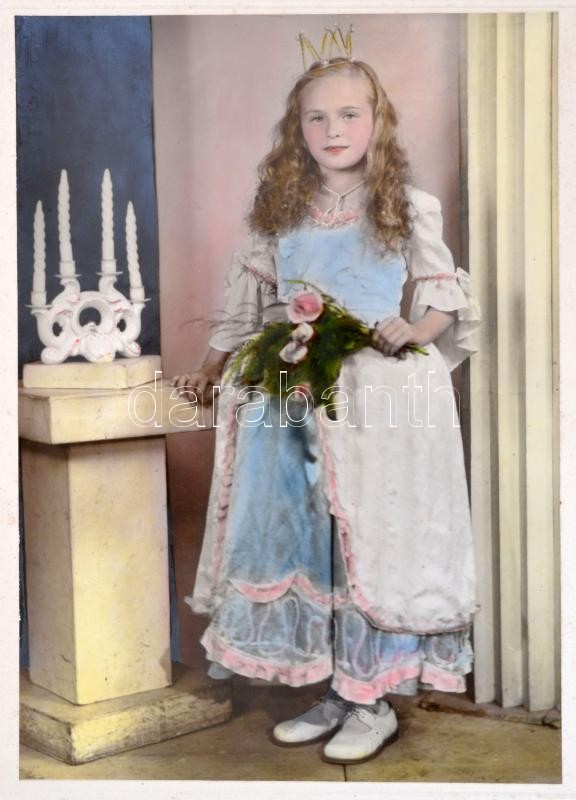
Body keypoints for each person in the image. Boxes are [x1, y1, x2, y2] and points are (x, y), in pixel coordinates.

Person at [172, 52, 481, 766]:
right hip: (290, 389)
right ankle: (336, 690)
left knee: (363, 535)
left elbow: (442, 295)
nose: (333, 130)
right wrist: (211, 368)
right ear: (298, 128)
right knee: (309, 536)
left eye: (348, 115)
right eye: (317, 118)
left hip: (371, 390)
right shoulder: (280, 208)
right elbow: (242, 304)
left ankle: (371, 699)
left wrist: (415, 329)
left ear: (376, 122)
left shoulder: (405, 203)